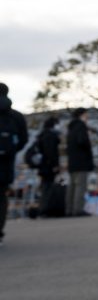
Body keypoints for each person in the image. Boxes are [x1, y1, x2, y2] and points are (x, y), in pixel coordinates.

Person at [0, 83, 28, 246]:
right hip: (5, 163)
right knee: (1, 197)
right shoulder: (16, 116)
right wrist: (12, 151)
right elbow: (23, 139)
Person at [65, 107, 94, 217]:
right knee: (80, 186)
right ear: (82, 115)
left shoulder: (71, 128)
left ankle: (69, 209)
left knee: (71, 186)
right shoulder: (81, 126)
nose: (88, 117)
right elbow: (82, 141)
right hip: (81, 160)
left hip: (72, 161)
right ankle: (78, 209)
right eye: (86, 114)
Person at [35, 116, 62, 215]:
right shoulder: (50, 136)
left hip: (44, 166)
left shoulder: (43, 135)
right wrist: (55, 165)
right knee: (48, 187)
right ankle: (45, 209)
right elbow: (51, 152)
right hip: (48, 166)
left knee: (45, 187)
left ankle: (44, 207)